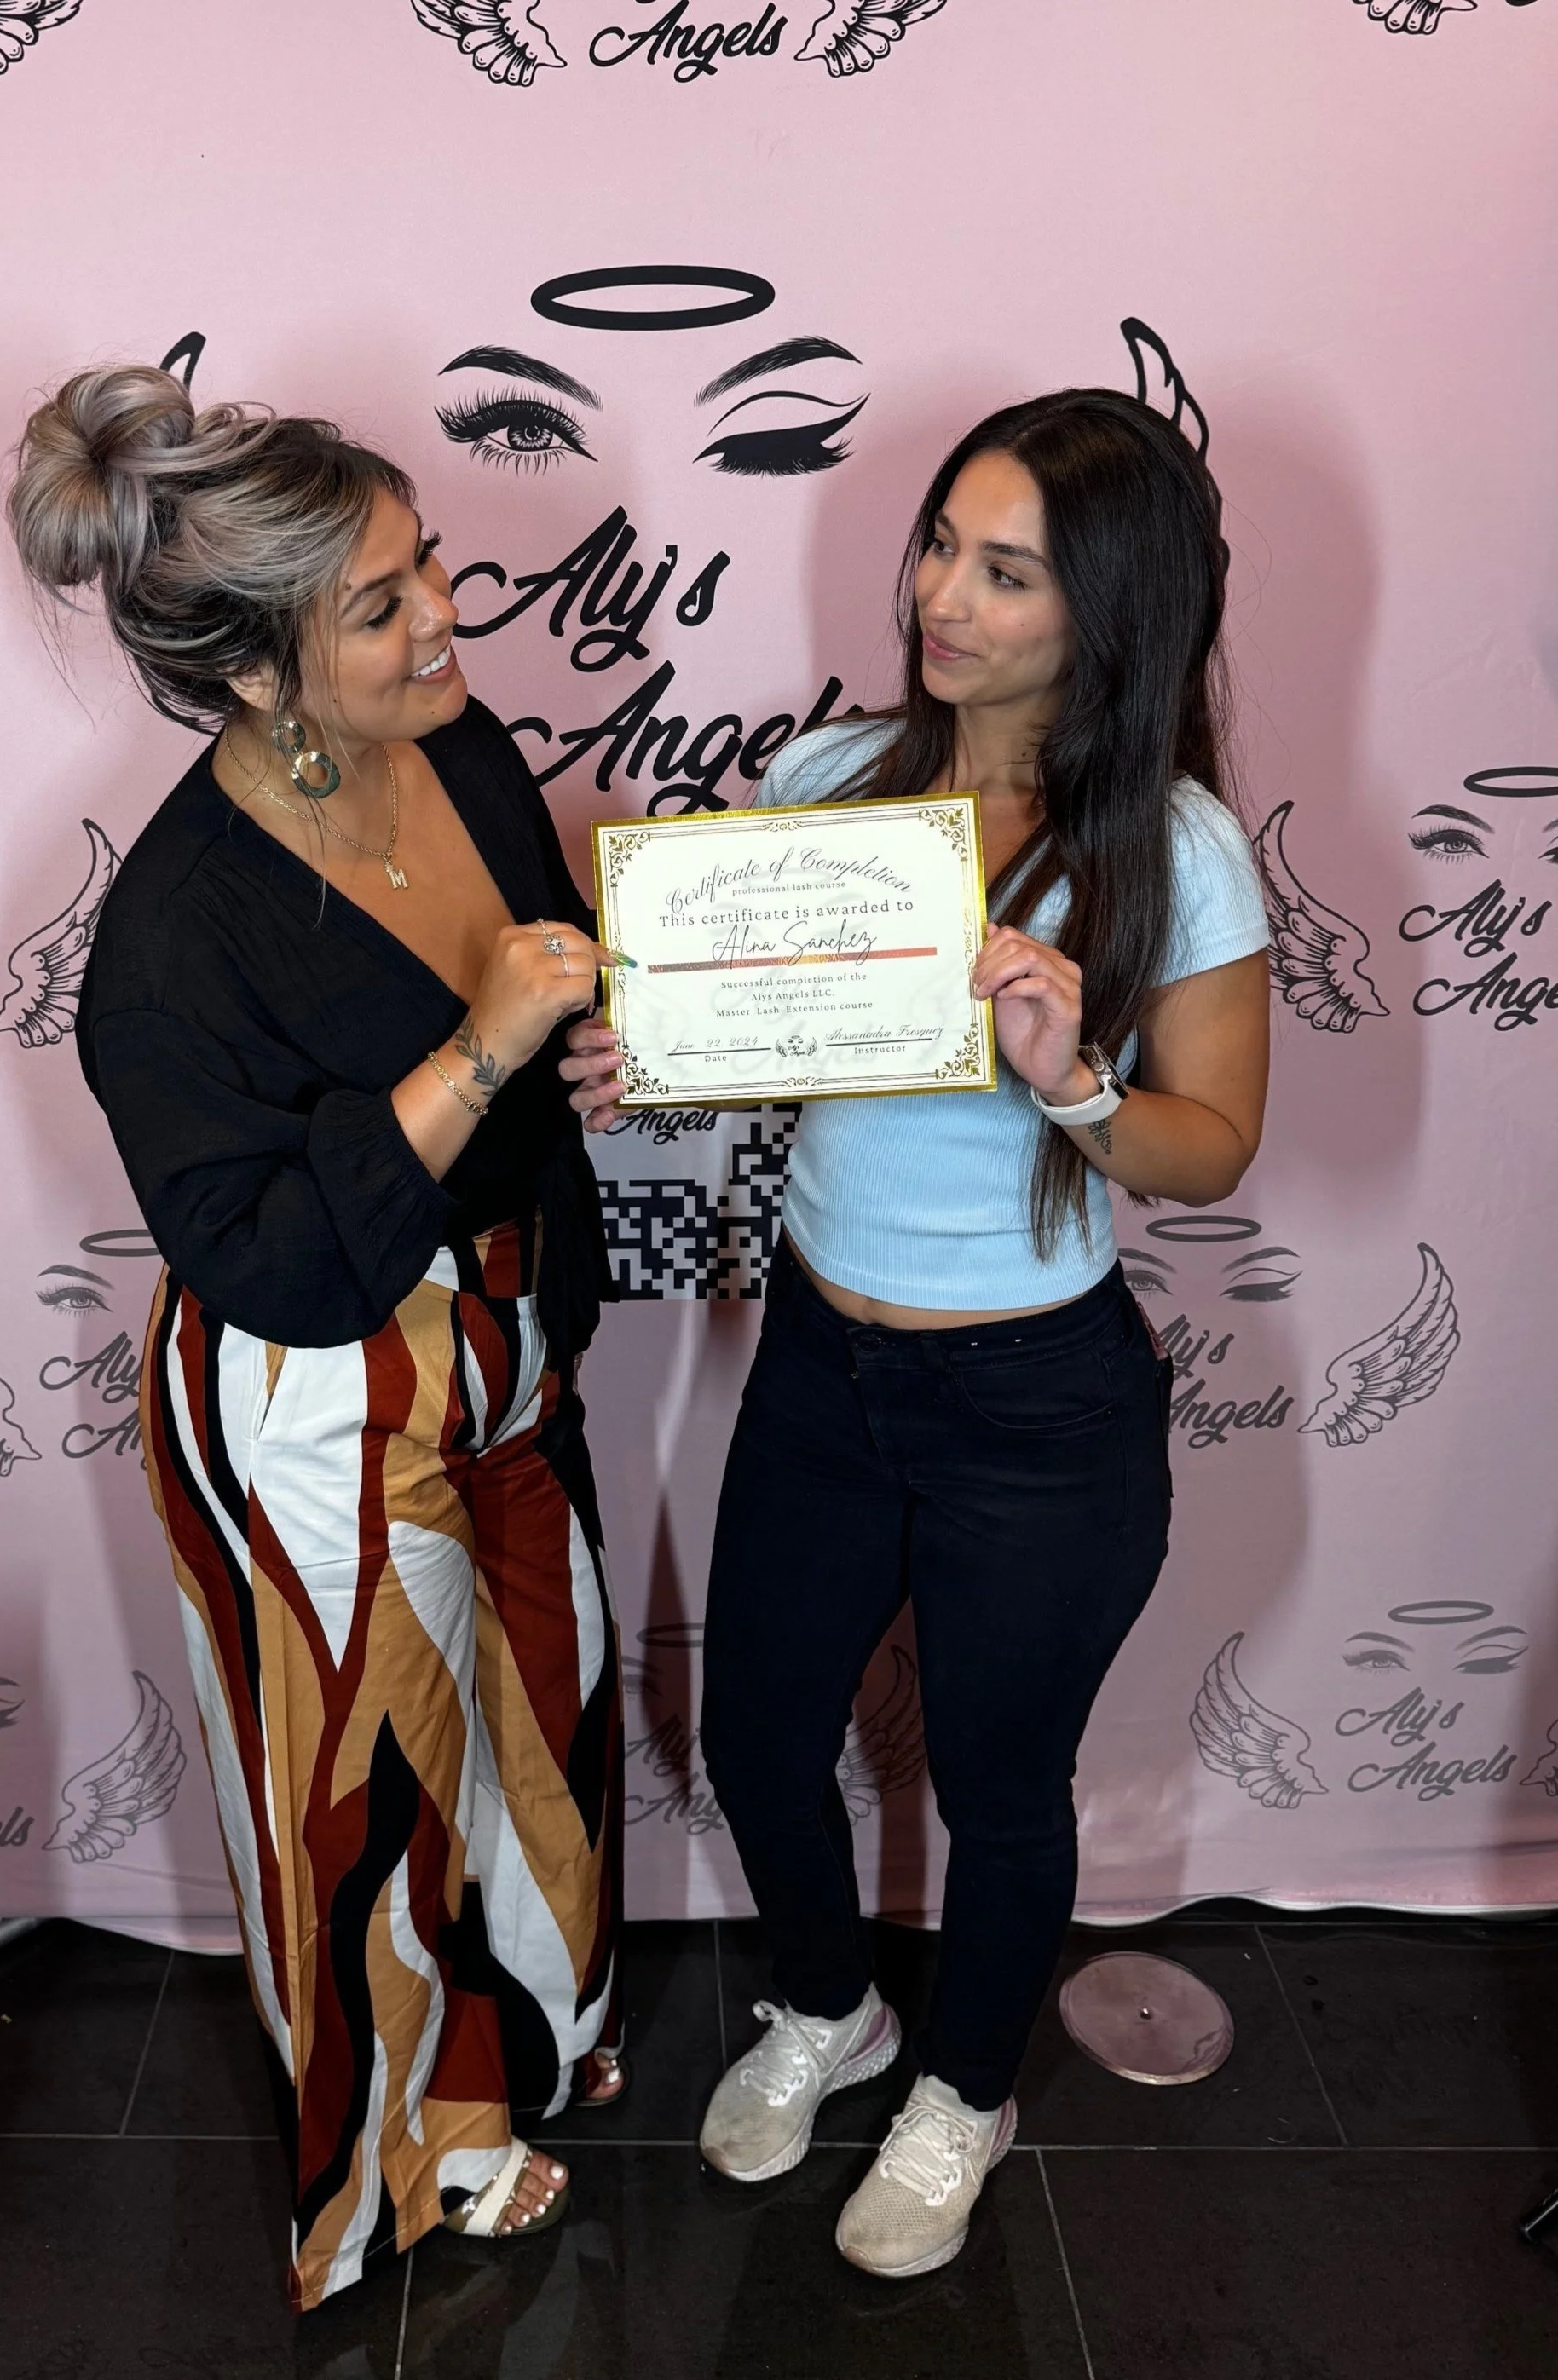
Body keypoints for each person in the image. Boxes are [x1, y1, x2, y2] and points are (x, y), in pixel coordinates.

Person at [563, 389, 1270, 2278]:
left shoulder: (1176, 851)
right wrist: (653, 1062)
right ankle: (829, 2007)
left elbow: (1210, 1146)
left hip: (1036, 1398)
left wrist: (1070, 1082)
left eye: (1006, 569)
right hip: (818, 1360)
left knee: (998, 1786)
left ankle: (967, 2085)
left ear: (1106, 613)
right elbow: (753, 1057)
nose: (943, 593)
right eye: (943, 544)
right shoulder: (823, 784)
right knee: (756, 1734)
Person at [8, 365, 626, 2312]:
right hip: (314, 1402)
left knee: (543, 1696)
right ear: (259, 674)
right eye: (381, 602)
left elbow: (526, 1041)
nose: (444, 611)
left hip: (505, 1347)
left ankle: (525, 2031)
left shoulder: (467, 743)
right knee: (370, 1798)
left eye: (423, 559)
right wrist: (485, 1051)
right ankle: (410, 2160)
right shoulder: (170, 943)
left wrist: (576, 1061)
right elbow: (270, 1260)